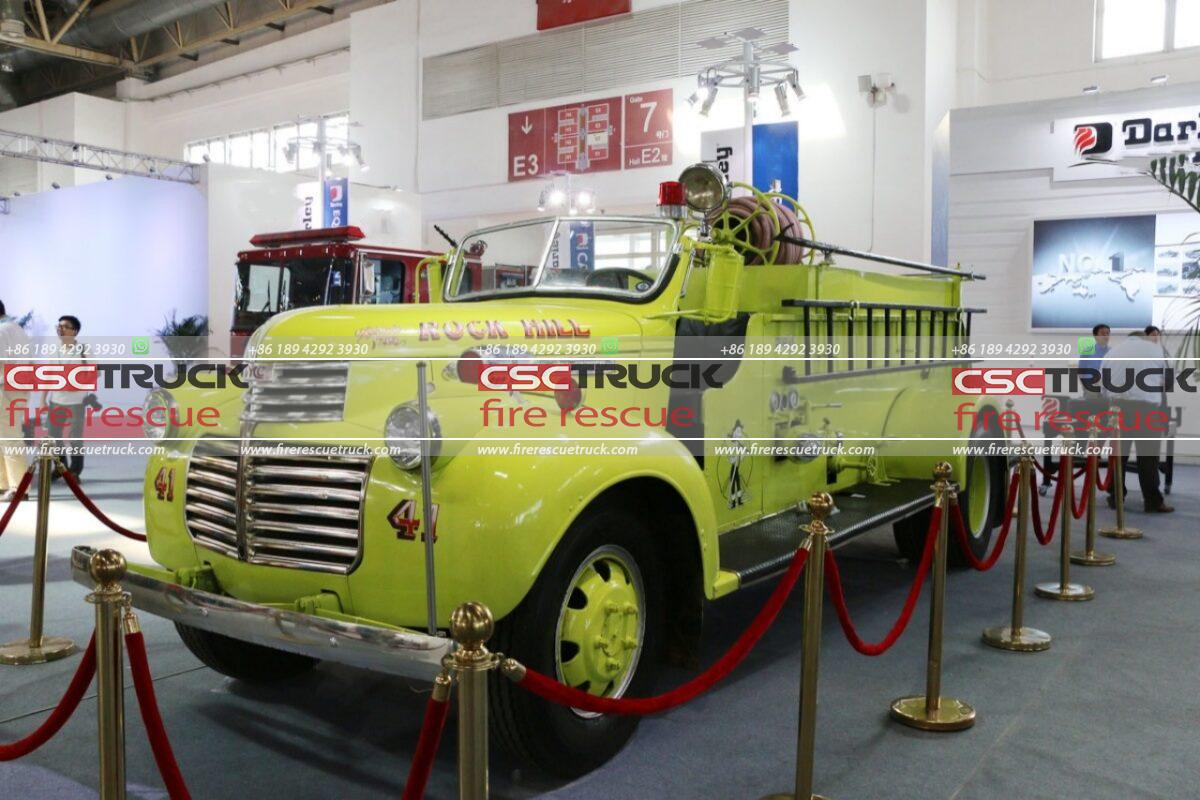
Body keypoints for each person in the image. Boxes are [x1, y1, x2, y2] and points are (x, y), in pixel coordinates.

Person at [1102, 331, 1173, 513]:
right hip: (1146, 410)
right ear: (1145, 338)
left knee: (1118, 455)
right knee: (1148, 456)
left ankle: (1115, 497)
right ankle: (1152, 501)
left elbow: (1103, 386)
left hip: (1118, 408)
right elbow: (1168, 382)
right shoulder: (1156, 350)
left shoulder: (1112, 352)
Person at [45, 315, 88, 477]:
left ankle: (75, 472)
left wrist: (76, 383)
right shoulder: (53, 350)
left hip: (76, 401)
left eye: (64, 326)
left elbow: (95, 373)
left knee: (75, 436)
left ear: (74, 331)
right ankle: (60, 467)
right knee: (53, 435)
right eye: (59, 326)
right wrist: (43, 399)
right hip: (56, 401)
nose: (60, 328)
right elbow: (48, 376)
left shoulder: (83, 350)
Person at [0, 299, 32, 502]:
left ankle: (18, 488)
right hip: (15, 387)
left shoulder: (3, 330)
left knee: (9, 437)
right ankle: (4, 484)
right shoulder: (16, 329)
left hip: (5, 388)